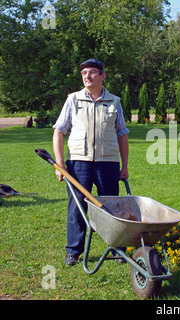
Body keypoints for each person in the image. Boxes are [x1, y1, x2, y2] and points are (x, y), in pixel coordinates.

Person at [53, 58, 129, 266]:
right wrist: (60, 163)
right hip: (78, 164)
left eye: (93, 72)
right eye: (84, 73)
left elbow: (122, 133)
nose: (87, 76)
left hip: (108, 164)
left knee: (110, 208)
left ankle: (117, 249)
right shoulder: (73, 100)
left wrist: (125, 166)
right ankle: (73, 251)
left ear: (102, 76)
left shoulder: (114, 102)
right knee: (77, 208)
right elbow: (59, 130)